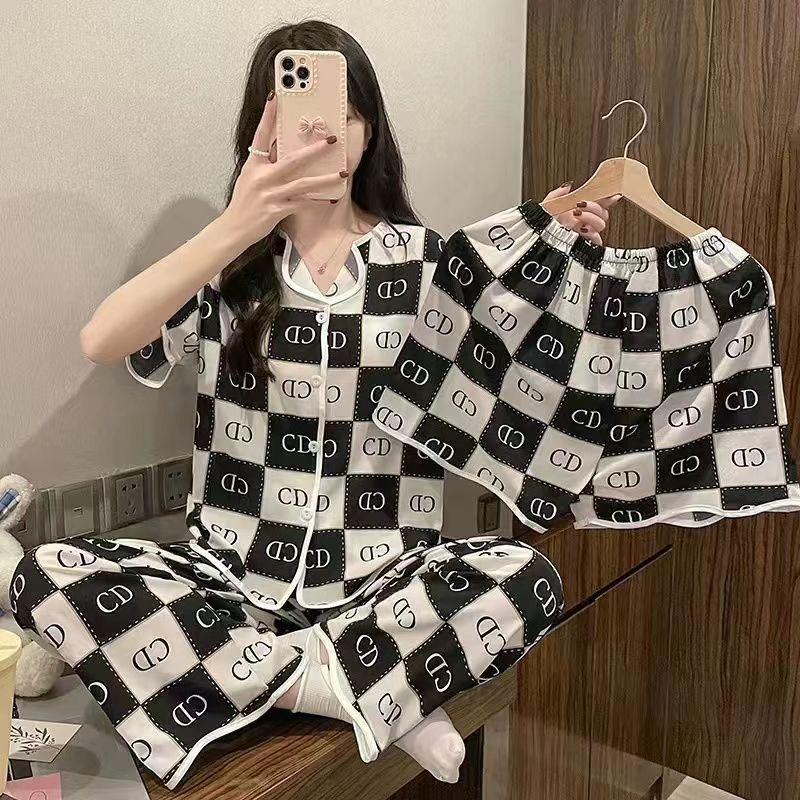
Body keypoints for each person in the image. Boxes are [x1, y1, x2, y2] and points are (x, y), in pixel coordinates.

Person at [10, 20, 617, 790]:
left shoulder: (426, 264)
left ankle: (287, 679)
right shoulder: (228, 265)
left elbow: (520, 385)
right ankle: (355, 692)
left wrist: (551, 252)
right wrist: (238, 224)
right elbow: (103, 340)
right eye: (302, 118)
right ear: (262, 130)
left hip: (383, 585)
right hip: (228, 582)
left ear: (371, 131)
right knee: (45, 573)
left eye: (346, 115)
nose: (326, 136)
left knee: (526, 577)